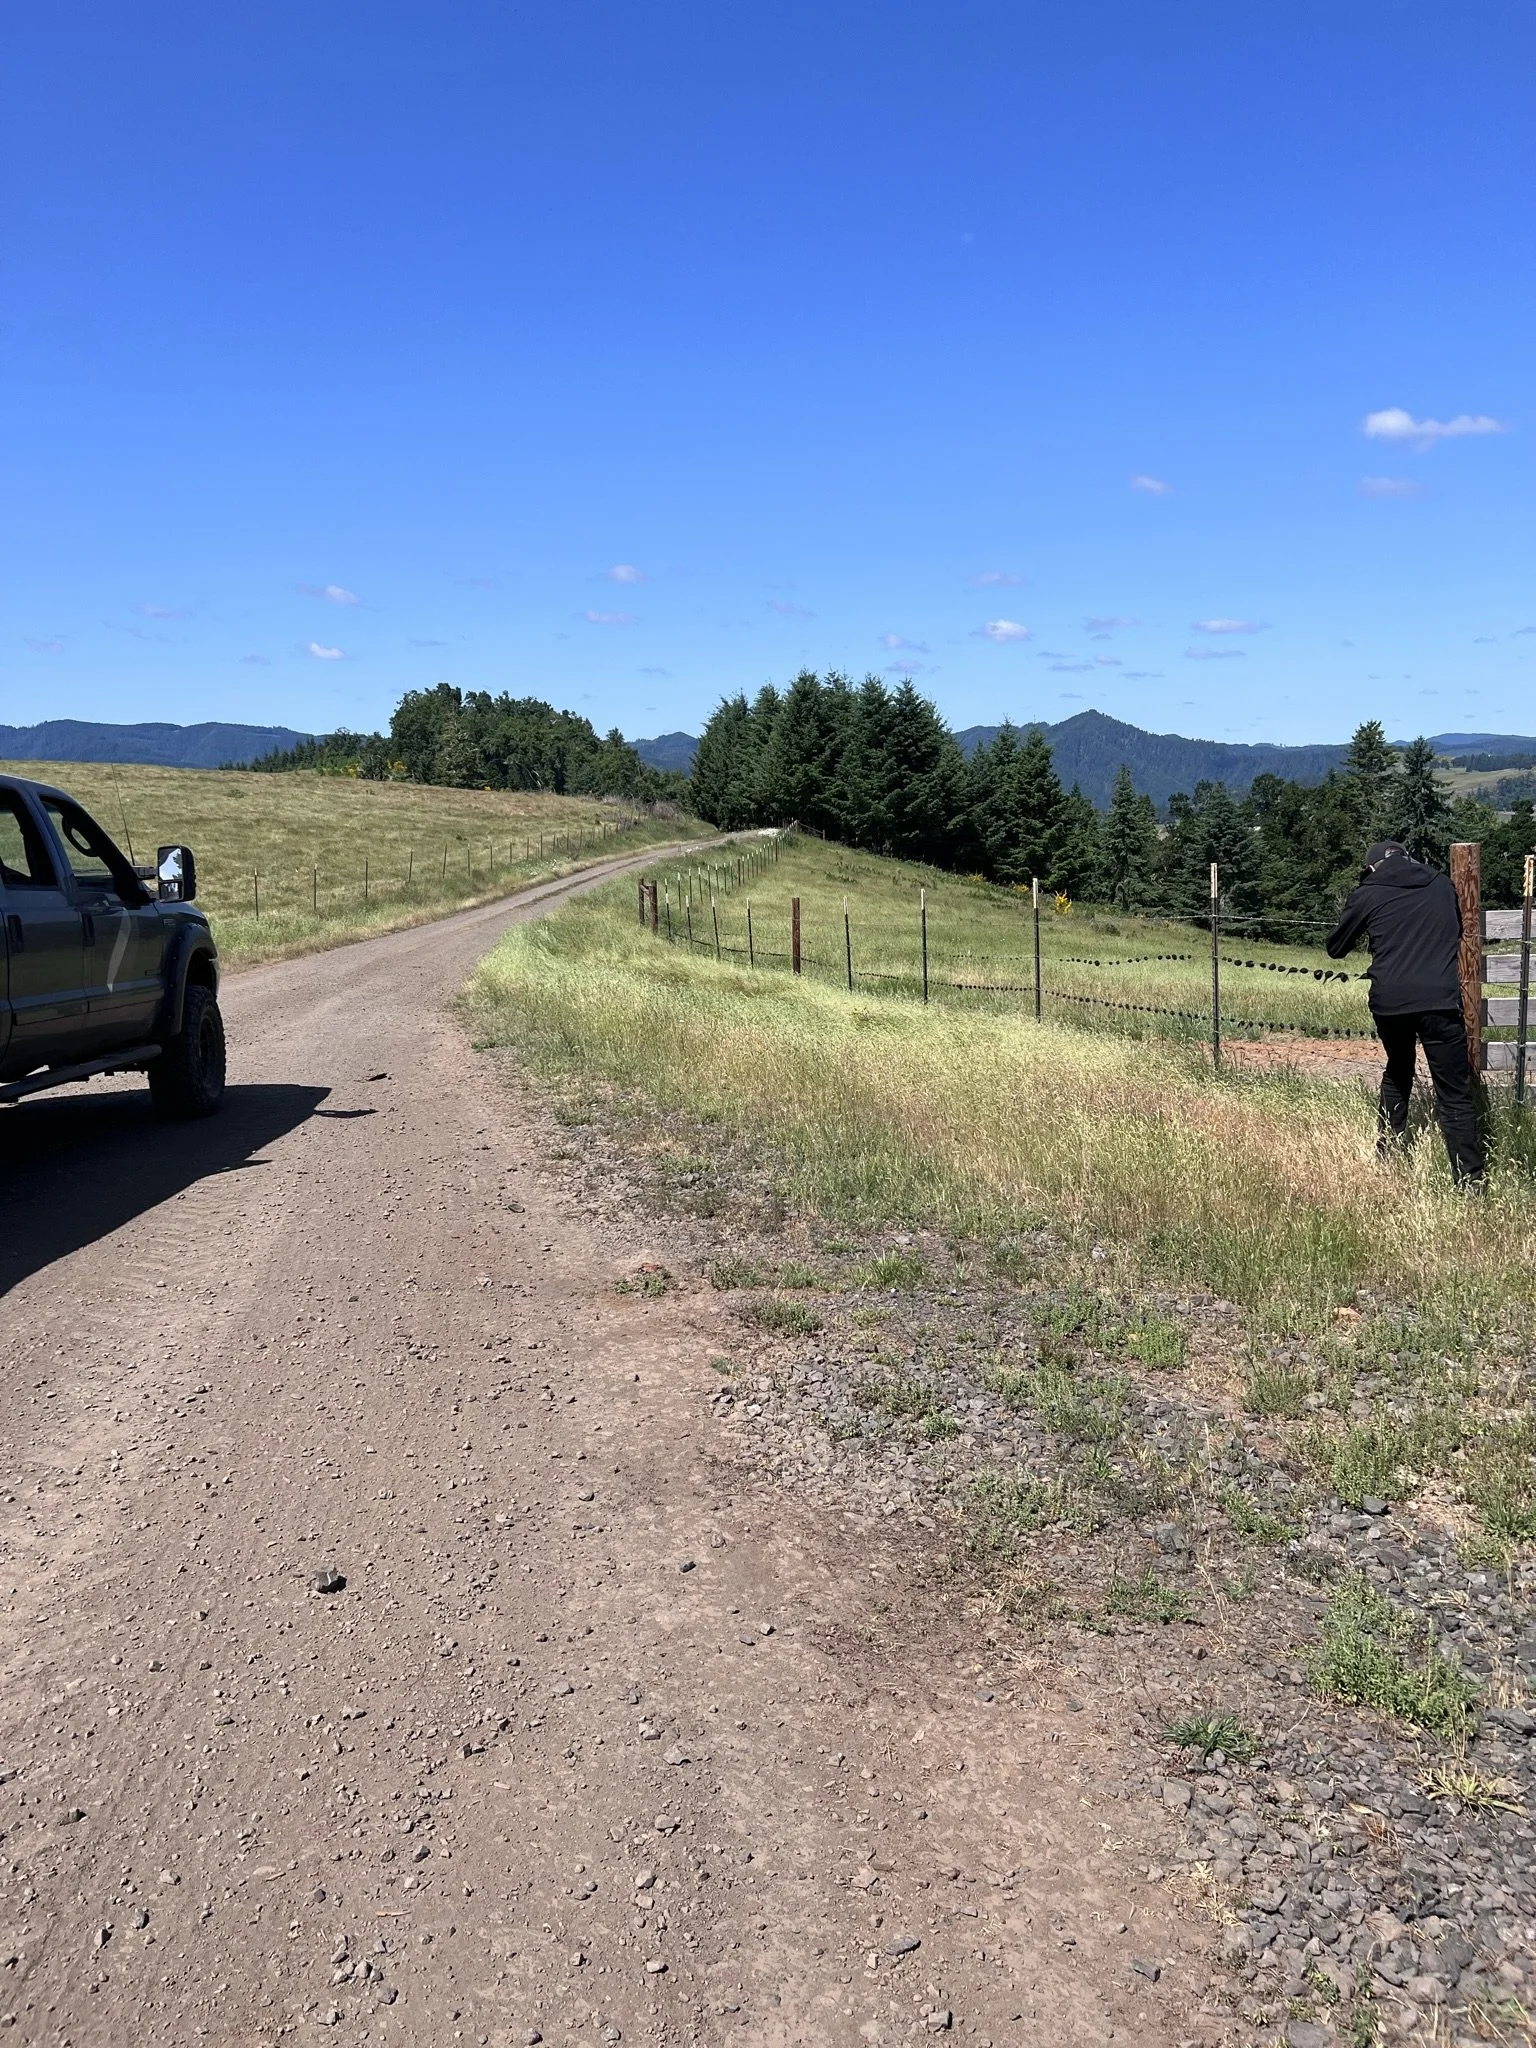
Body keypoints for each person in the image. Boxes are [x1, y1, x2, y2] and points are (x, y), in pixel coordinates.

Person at [1326, 840, 1485, 1186]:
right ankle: (1470, 1181)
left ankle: (1389, 1154)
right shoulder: (1442, 884)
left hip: (1391, 1002)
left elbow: (1335, 947)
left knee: (1398, 1069)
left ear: (1372, 867)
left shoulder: (1369, 892)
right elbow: (1457, 931)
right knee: (1454, 1093)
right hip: (1440, 1000)